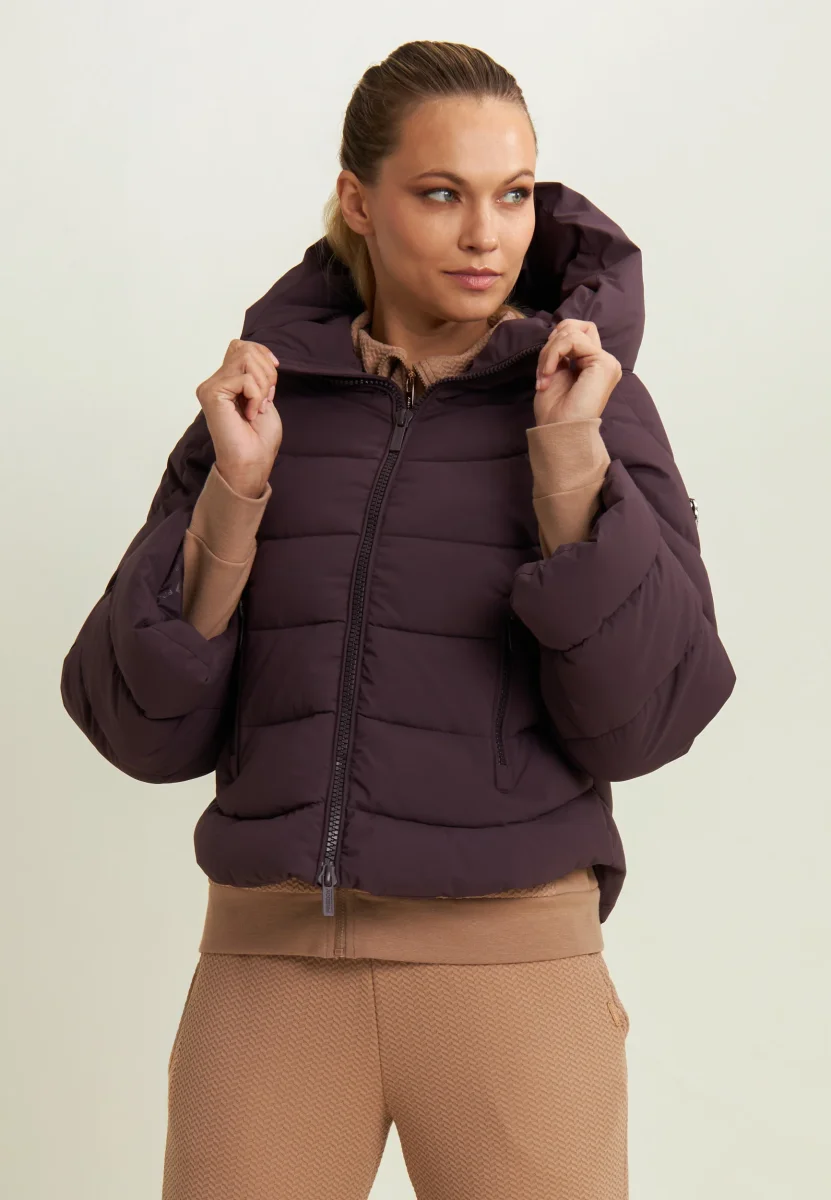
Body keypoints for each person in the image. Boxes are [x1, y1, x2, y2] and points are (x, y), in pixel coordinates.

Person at [60, 39, 736, 1200]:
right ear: (358, 201)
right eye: (440, 194)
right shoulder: (263, 402)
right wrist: (235, 494)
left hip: (514, 984)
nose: (486, 235)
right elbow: (139, 727)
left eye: (513, 195)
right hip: (268, 978)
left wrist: (570, 466)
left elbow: (646, 722)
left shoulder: (588, 405)